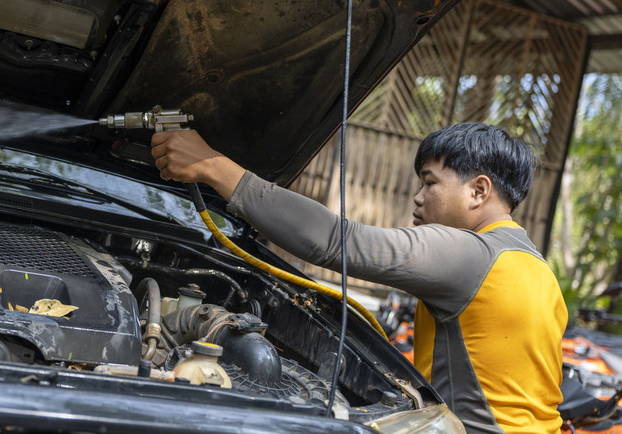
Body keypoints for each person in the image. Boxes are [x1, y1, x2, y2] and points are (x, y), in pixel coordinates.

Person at [151, 122, 568, 433]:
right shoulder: (537, 269)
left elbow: (337, 242)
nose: (418, 199)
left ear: (479, 191)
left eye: (430, 183)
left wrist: (212, 167)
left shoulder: (469, 254)